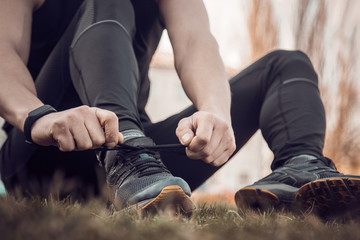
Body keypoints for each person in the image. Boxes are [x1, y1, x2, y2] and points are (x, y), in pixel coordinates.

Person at [0, 0, 359, 216]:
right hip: (41, 154)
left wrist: (215, 111)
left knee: (287, 64)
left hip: (145, 170)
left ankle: (299, 171)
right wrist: (39, 118)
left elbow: (194, 42)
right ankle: (126, 155)